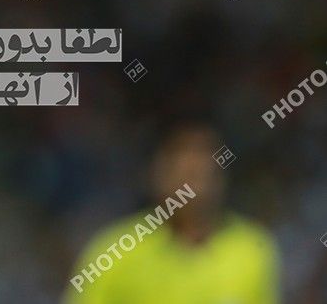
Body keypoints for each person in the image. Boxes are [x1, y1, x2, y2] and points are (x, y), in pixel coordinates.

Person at [61, 123, 280, 304]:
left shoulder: (252, 250)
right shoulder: (114, 253)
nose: (193, 188)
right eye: (185, 172)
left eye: (202, 173)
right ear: (157, 174)